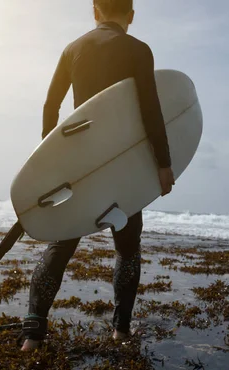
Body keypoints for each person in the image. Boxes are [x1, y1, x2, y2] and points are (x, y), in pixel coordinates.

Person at [21, 0, 175, 351]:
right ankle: (121, 330)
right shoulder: (139, 49)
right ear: (131, 16)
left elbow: (51, 105)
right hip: (120, 164)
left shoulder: (72, 48)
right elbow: (151, 108)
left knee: (61, 242)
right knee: (127, 243)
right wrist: (164, 163)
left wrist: (49, 160)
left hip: (81, 162)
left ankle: (32, 335)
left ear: (95, 11)